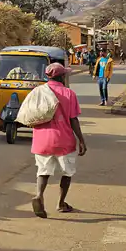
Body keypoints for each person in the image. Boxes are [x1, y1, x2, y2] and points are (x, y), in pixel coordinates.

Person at [31, 62, 87, 218]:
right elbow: (73, 119)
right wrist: (81, 140)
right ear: (62, 77)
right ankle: (61, 203)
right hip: (64, 140)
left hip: (42, 139)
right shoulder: (69, 93)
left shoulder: (38, 92)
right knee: (67, 172)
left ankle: (39, 195)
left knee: (43, 171)